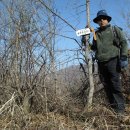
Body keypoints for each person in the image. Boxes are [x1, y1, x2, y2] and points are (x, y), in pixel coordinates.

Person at [90, 10, 128, 114]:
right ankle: (113, 108)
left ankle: (120, 111)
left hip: (113, 61)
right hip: (101, 62)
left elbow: (124, 42)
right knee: (106, 85)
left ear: (107, 19)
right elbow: (93, 48)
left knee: (115, 85)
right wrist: (84, 40)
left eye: (103, 18)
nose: (101, 21)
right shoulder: (96, 33)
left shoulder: (114, 29)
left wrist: (124, 56)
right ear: (97, 22)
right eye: (99, 19)